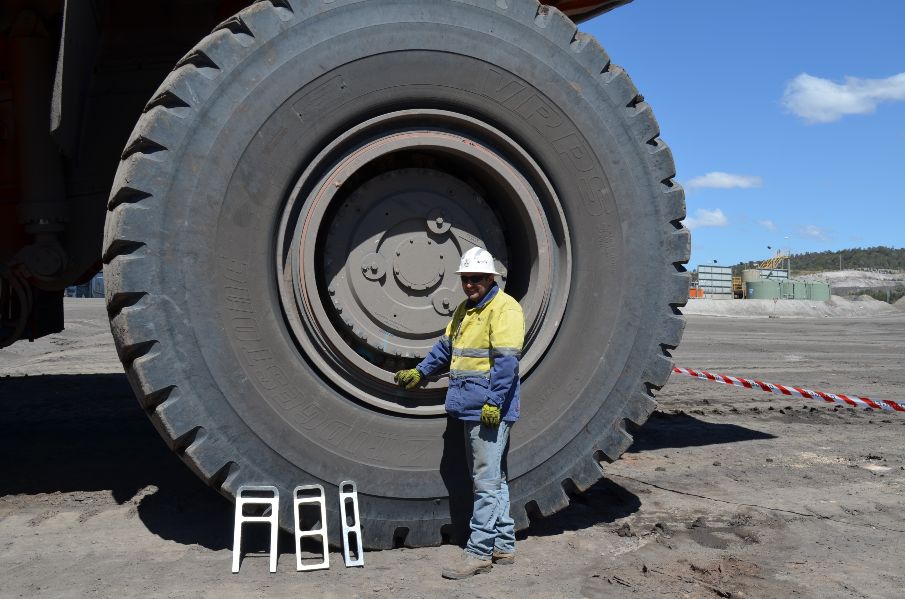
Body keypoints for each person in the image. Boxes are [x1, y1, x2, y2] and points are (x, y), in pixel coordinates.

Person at [394, 246, 524, 580]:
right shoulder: (465, 311)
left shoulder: (504, 309)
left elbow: (507, 362)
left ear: (491, 278)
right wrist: (421, 372)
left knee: (484, 482)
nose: (470, 285)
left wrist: (494, 403)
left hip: (488, 410)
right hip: (469, 406)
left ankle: (479, 552)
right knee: (494, 477)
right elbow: (445, 349)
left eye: (476, 279)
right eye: (466, 279)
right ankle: (504, 544)